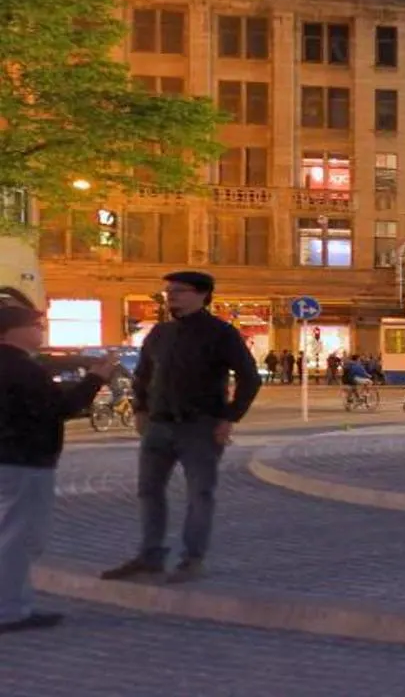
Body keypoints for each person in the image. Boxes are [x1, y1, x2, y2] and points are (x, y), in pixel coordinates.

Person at [100, 270, 262, 584]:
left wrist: (230, 417)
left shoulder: (221, 333)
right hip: (158, 426)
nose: (171, 295)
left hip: (200, 427)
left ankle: (192, 559)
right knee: (148, 490)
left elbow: (249, 378)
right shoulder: (159, 333)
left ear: (203, 295)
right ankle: (151, 557)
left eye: (180, 290)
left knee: (200, 494)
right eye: (169, 290)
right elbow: (144, 376)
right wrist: (140, 409)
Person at [1, 301, 119, 632]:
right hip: (23, 461)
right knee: (19, 538)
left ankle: (13, 604)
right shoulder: (22, 369)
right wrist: (95, 378)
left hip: (10, 459)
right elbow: (61, 407)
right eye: (35, 325)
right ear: (12, 331)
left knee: (9, 533)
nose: (41, 330)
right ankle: (9, 610)